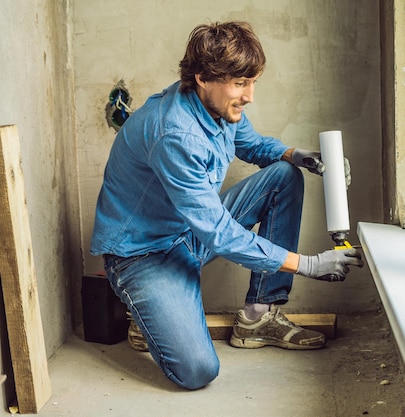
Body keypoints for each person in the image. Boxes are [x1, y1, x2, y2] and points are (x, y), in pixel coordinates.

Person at [90, 21, 363, 390]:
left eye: (251, 82)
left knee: (283, 176)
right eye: (240, 83)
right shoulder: (175, 133)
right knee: (197, 372)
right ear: (202, 77)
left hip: (187, 232)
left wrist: (298, 156)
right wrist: (308, 265)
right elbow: (219, 234)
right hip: (144, 255)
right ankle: (146, 311)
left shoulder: (218, 106)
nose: (249, 95)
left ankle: (257, 318)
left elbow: (251, 144)